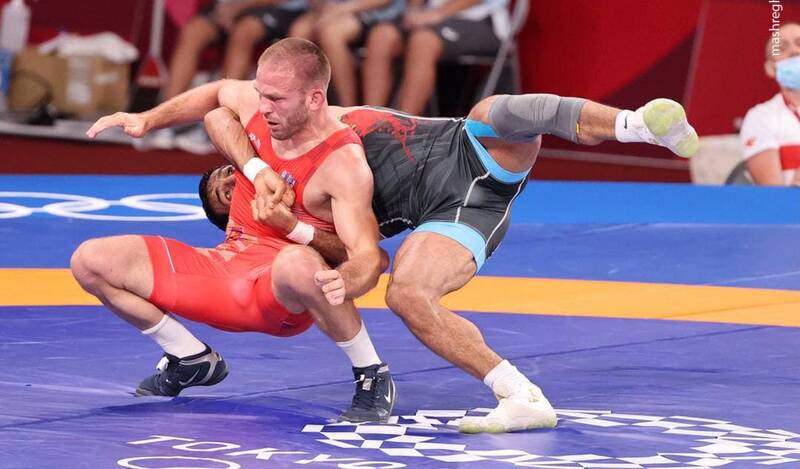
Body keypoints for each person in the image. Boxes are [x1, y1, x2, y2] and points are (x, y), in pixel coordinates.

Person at [90, 64, 699, 433]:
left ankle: (637, 125)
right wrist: (296, 231)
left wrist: (147, 119)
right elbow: (360, 260)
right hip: (467, 206)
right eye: (225, 193)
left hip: (470, 143)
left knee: (495, 112)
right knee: (407, 293)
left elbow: (220, 105)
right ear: (235, 212)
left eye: (226, 175)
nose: (232, 182)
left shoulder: (272, 133)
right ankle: (521, 396)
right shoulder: (303, 207)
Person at [73, 39, 395, 424]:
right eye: (261, 94)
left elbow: (368, 256)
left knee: (297, 262)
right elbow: (217, 96)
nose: (264, 107)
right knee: (90, 260)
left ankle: (372, 373)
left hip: (278, 292)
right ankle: (189, 357)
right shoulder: (258, 111)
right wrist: (148, 120)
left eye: (276, 99)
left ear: (314, 99)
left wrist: (295, 230)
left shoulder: (342, 163)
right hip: (225, 267)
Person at [363, 0, 515, 114]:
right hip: (432, 16)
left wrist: (438, 14)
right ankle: (367, 121)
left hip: (480, 17)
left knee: (423, 41)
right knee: (381, 35)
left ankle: (404, 126)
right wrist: (415, 7)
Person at [166, 0, 317, 99]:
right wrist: (225, 5)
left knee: (242, 32)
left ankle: (226, 108)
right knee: (193, 31)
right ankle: (168, 109)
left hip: (280, 4)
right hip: (238, 0)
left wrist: (240, 7)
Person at [289, 0, 409, 106]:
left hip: (375, 12)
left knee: (332, 33)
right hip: (334, 7)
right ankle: (300, 107)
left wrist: (341, 9)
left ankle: (347, 110)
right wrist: (324, 5)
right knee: (299, 30)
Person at [740, 21, 800, 186]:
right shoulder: (760, 117)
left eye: (799, 44)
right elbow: (773, 195)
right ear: (770, 68)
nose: (794, 51)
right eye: (782, 48)